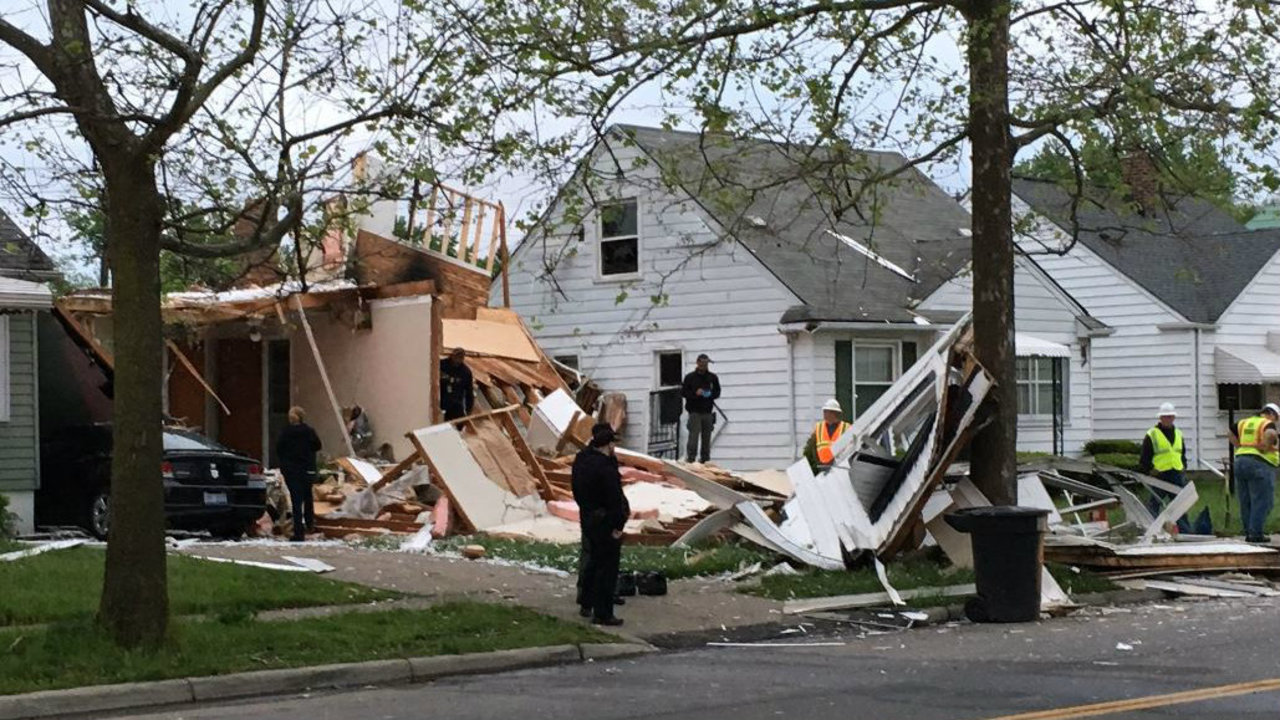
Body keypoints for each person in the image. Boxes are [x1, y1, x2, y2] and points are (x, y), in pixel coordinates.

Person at [572, 422, 629, 626]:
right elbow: (614, 497)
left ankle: (586, 601)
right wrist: (617, 524)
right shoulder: (605, 467)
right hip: (605, 521)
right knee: (606, 567)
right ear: (608, 444)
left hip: (588, 516)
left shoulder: (582, 460)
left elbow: (576, 490)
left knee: (593, 562)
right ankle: (603, 612)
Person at [1137, 402, 1191, 534]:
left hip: (1176, 474)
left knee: (1180, 506)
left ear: (1173, 417)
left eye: (1170, 416)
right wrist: (1150, 469)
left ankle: (1186, 533)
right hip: (1159, 475)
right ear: (1160, 418)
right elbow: (1144, 457)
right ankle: (1151, 531)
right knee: (1154, 505)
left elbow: (1181, 453)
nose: (1168, 419)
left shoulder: (1178, 433)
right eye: (1165, 416)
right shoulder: (1152, 434)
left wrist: (1183, 466)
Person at [1231, 402, 1280, 543]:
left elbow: (1230, 432)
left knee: (1246, 501)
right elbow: (1270, 434)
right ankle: (1256, 534)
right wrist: (1265, 446)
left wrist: (1240, 446)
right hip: (1260, 464)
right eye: (1276, 418)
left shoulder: (1245, 422)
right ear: (1272, 414)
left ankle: (1249, 532)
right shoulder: (1267, 423)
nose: (1276, 421)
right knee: (1263, 501)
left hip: (1240, 461)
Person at [277, 406, 322, 542]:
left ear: (291, 418)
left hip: (292, 471)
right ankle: (310, 524)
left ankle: (298, 532)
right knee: (308, 497)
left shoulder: (286, 433)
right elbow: (318, 446)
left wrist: (286, 464)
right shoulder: (309, 432)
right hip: (307, 469)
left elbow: (279, 449)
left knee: (296, 501)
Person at [681, 353, 721, 463]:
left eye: (706, 364)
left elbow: (717, 392)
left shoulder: (712, 377)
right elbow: (684, 392)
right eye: (702, 363)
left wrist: (710, 394)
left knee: (706, 437)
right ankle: (691, 459)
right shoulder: (690, 377)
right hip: (694, 411)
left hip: (707, 411)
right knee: (693, 436)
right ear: (697, 363)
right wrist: (696, 393)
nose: (704, 366)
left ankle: (705, 459)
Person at [810, 399, 851, 472]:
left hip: (840, 467)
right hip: (822, 467)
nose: (824, 414)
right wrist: (817, 463)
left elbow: (851, 448)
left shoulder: (846, 427)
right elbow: (813, 447)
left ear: (834, 413)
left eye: (826, 411)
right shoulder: (819, 427)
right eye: (824, 411)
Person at [440, 347, 475, 421]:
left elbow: (469, 392)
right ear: (452, 356)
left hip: (456, 405)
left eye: (460, 358)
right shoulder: (442, 365)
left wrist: (469, 409)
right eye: (456, 357)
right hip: (441, 403)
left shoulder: (465, 372)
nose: (457, 360)